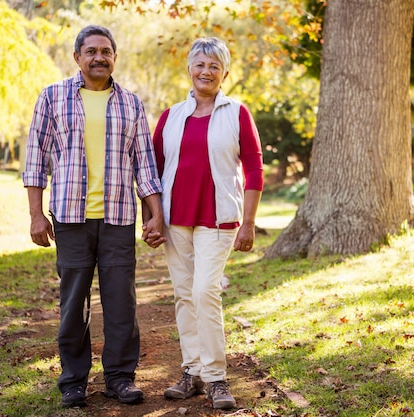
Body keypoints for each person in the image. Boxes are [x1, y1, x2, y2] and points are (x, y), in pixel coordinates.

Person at [22, 25, 165, 408]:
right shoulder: (52, 98)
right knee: (73, 303)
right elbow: (35, 161)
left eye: (106, 51)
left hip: (118, 218)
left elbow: (145, 167)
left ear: (114, 57)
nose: (99, 57)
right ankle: (73, 381)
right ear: (77, 57)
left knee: (122, 304)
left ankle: (120, 378)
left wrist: (157, 215)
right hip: (70, 218)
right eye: (91, 51)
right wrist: (36, 215)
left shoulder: (131, 103)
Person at [146, 37, 263, 410]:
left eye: (214, 66)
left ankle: (216, 377)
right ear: (190, 69)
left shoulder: (237, 113)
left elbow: (255, 170)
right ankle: (191, 372)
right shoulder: (171, 116)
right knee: (183, 294)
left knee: (204, 291)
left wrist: (249, 223)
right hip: (175, 219)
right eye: (200, 64)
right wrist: (152, 217)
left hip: (218, 219)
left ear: (224, 73)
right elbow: (152, 171)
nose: (206, 72)